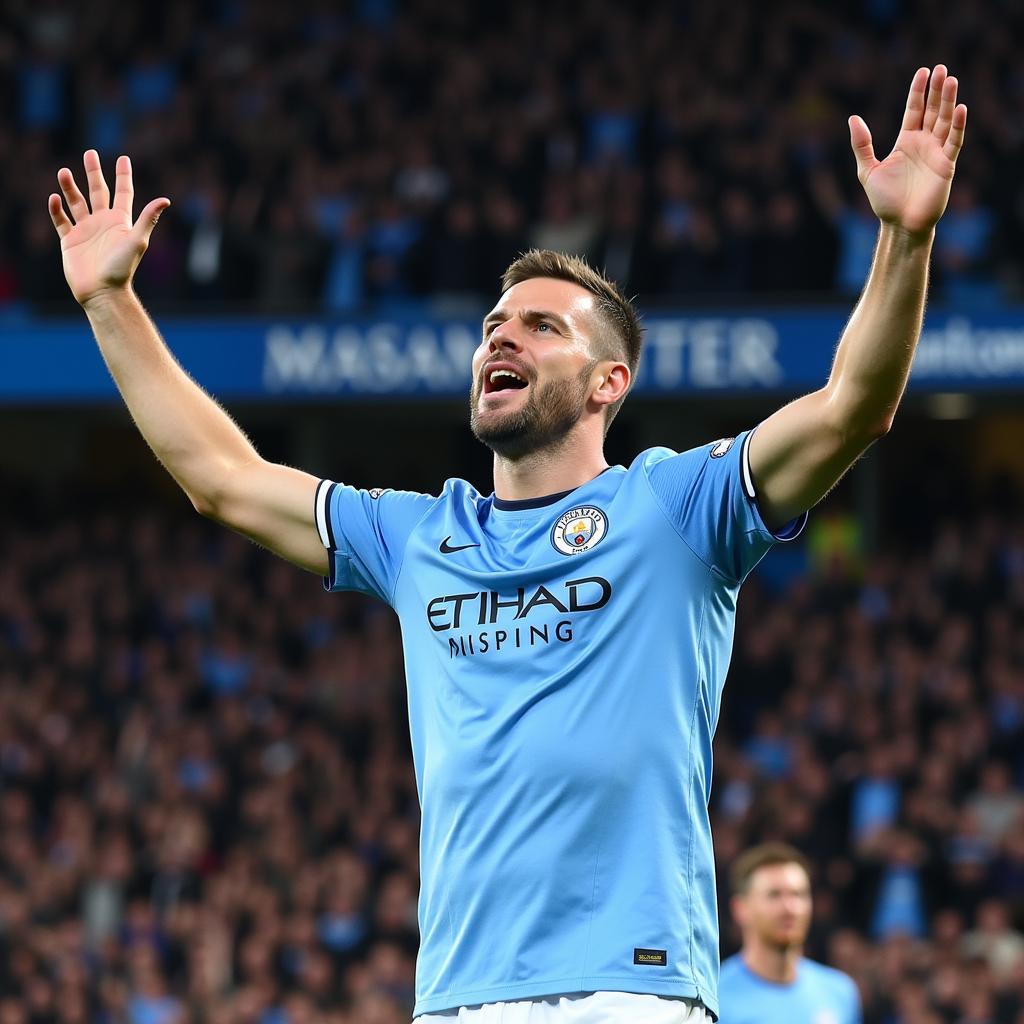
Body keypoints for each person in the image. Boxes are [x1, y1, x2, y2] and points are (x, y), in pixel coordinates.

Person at [48, 65, 965, 1024]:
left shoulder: (676, 505)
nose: (501, 339)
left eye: (539, 326)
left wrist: (904, 237)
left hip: (631, 987)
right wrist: (110, 301)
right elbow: (222, 479)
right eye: (494, 325)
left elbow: (852, 409)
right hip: (458, 996)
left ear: (610, 382)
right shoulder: (421, 535)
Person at [719, 844, 861, 1024]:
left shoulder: (840, 993)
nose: (789, 908)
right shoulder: (714, 997)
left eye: (798, 894)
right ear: (740, 909)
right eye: (774, 895)